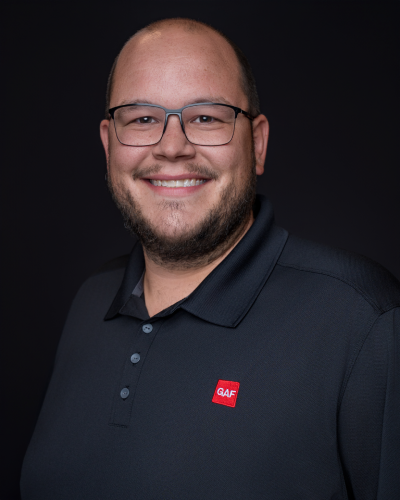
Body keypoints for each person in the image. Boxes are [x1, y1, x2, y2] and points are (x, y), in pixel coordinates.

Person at [21, 18, 399, 500]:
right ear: (108, 143)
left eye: (205, 118)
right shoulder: (90, 301)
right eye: (142, 119)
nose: (171, 147)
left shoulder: (364, 322)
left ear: (256, 143)